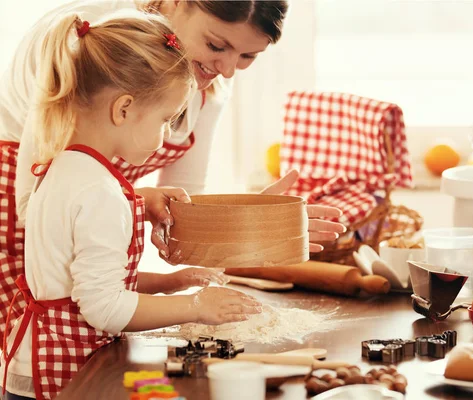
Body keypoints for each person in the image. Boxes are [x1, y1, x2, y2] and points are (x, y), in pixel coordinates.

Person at [0, 0, 345, 348]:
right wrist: (128, 205)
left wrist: (252, 221)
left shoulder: (209, 83)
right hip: (15, 209)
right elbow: (39, 207)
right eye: (216, 45)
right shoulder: (91, 44)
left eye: (247, 57)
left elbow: (180, 206)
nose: (227, 70)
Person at [1, 11, 265, 400]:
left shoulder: (61, 171)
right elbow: (103, 308)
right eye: (164, 119)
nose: (165, 136)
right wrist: (195, 306)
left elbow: (87, 281)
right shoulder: (100, 195)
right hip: (66, 376)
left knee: (163, 389)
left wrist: (166, 284)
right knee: (172, 393)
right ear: (123, 109)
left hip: (35, 362)